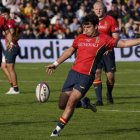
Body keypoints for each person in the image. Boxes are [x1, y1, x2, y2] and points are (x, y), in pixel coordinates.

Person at [46, 13, 140, 137]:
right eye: (84, 27)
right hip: (73, 73)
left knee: (72, 102)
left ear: (96, 26)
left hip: (86, 77)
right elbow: (70, 51)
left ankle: (56, 130)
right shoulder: (80, 37)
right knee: (62, 104)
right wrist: (56, 63)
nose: (85, 30)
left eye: (88, 27)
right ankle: (84, 104)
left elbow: (123, 43)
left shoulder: (104, 39)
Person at [92, 1, 119, 105]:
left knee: (110, 77)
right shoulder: (90, 20)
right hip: (95, 52)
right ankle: (99, 100)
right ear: (93, 10)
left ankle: (109, 94)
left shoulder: (111, 20)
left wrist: (109, 47)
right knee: (97, 73)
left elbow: (116, 37)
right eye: (96, 9)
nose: (98, 11)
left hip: (108, 52)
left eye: (100, 9)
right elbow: (85, 35)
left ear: (104, 9)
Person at [1, 7, 20, 94]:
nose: (3, 16)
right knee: (3, 66)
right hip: (10, 46)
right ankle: (12, 85)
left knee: (10, 68)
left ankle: (15, 89)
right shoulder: (7, 22)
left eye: (5, 14)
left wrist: (12, 43)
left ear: (8, 14)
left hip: (12, 47)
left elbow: (12, 32)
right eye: (2, 14)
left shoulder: (10, 22)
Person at [0, 7, 13, 72]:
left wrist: (10, 42)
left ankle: (11, 81)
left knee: (3, 65)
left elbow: (8, 32)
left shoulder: (1, 20)